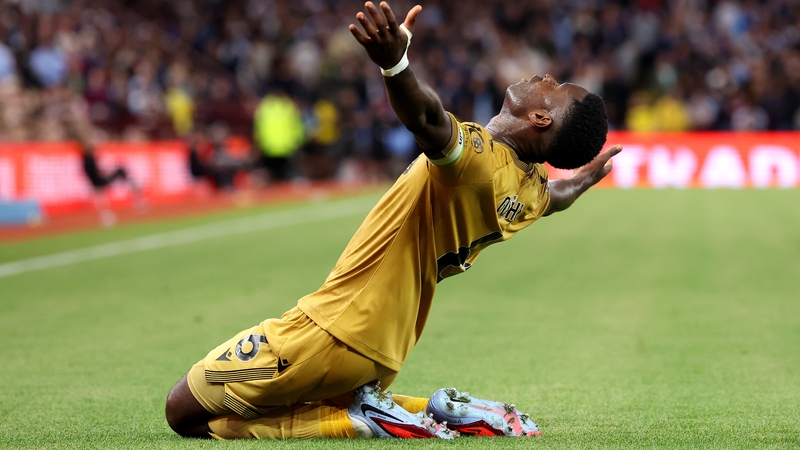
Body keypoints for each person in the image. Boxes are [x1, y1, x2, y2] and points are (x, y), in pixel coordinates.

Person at [165, 1, 620, 440]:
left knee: (183, 411)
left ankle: (359, 421)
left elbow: (425, 118)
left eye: (554, 87)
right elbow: (556, 196)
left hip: (332, 329)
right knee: (242, 418)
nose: (545, 76)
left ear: (540, 118)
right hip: (384, 350)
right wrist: (581, 181)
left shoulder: (479, 163)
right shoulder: (529, 188)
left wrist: (395, 64)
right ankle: (428, 411)